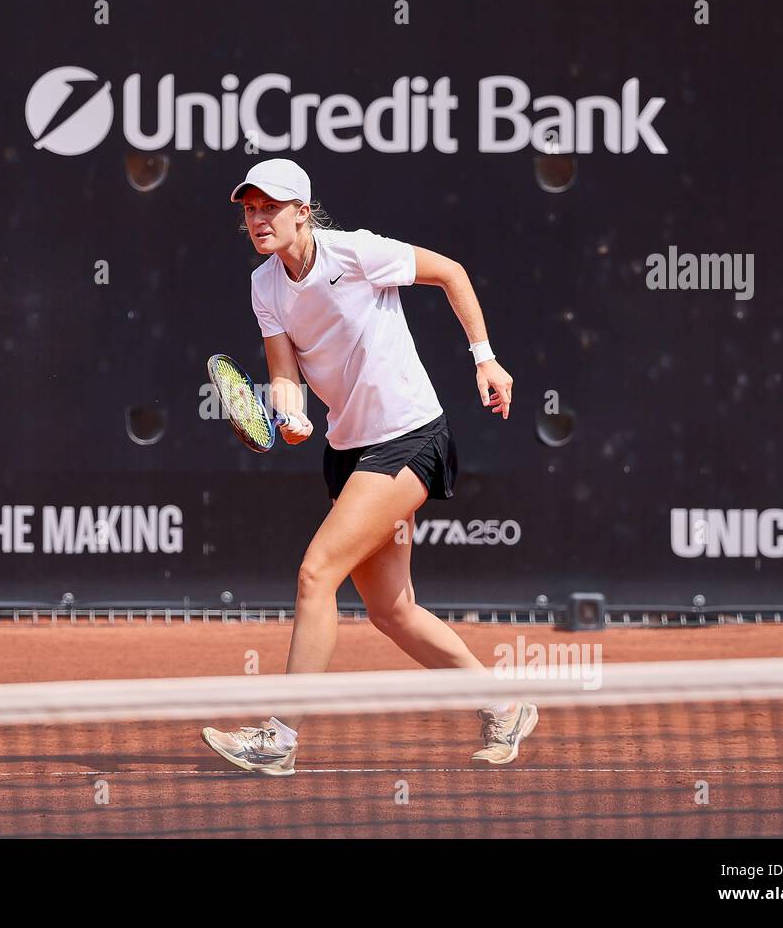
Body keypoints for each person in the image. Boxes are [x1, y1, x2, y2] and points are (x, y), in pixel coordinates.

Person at [201, 158, 536, 776]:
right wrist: (292, 412)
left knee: (316, 573)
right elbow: (283, 371)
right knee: (391, 609)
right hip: (350, 447)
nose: (257, 219)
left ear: (303, 211)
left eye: (270, 207)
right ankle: (504, 703)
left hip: (409, 435)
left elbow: (450, 272)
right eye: (249, 209)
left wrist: (485, 360)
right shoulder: (264, 286)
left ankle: (279, 737)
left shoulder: (355, 254)